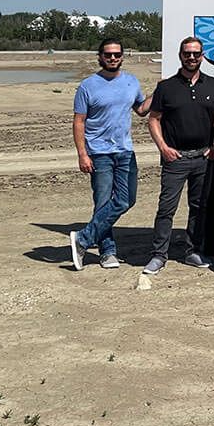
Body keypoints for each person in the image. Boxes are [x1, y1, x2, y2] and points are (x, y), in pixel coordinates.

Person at [143, 36, 214, 274]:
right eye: (187, 53)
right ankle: (158, 255)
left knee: (198, 207)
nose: (191, 58)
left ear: (202, 56)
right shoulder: (166, 87)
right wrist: (163, 148)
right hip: (175, 159)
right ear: (180, 56)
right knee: (166, 208)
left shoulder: (213, 84)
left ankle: (192, 251)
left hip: (203, 158)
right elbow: (153, 120)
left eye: (196, 54)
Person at [70, 39, 151, 270]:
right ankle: (107, 252)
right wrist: (82, 154)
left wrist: (159, 92)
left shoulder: (131, 82)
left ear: (122, 56)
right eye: (108, 55)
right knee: (103, 202)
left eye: (117, 54)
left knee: (127, 200)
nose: (113, 58)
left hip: (125, 151)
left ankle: (83, 239)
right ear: (100, 56)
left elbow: (141, 110)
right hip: (99, 153)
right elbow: (79, 122)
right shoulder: (88, 86)